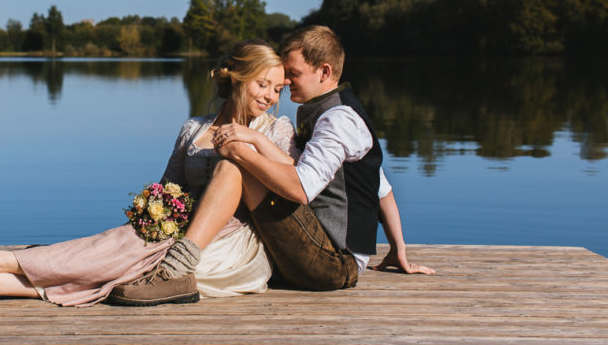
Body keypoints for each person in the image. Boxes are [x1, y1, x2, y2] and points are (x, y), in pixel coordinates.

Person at [0, 40, 293, 305]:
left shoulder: (276, 130)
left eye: (277, 89)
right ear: (236, 78)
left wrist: (248, 136)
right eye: (262, 84)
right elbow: (168, 187)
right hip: (176, 225)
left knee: (120, 256)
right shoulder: (193, 129)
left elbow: (290, 175)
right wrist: (150, 213)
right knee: (118, 245)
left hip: (226, 241)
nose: (270, 96)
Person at [109, 25, 432, 305]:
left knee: (235, 161)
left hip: (332, 264)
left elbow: (302, 189)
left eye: (293, 75)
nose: (287, 84)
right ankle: (179, 260)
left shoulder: (338, 120)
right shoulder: (326, 113)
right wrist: (397, 249)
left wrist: (243, 145)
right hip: (324, 252)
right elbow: (381, 186)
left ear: (324, 72)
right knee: (239, 158)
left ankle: (178, 270)